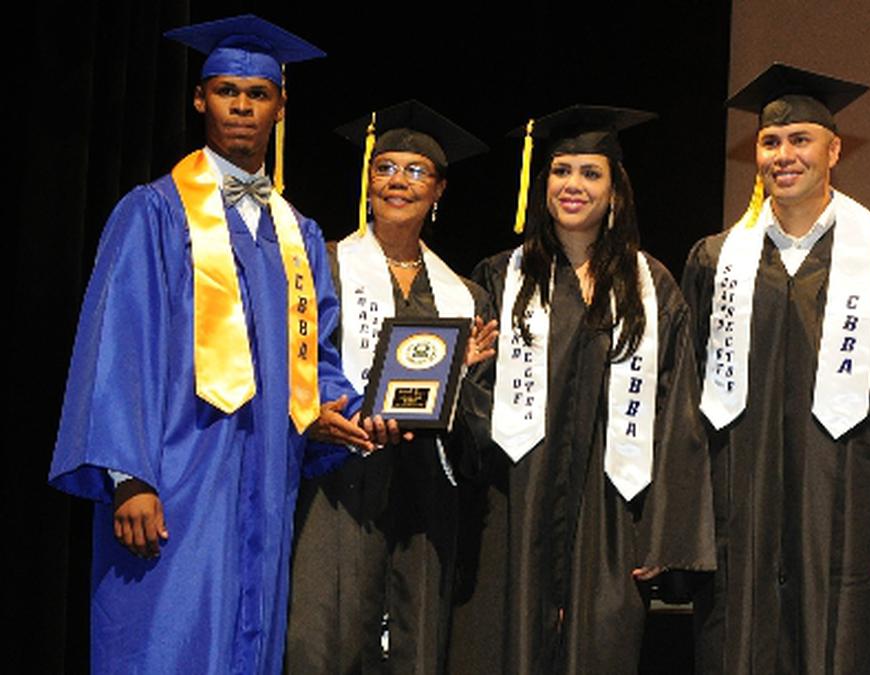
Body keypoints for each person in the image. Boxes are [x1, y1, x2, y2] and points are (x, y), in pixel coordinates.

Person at [47, 15, 374, 674]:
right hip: (174, 471)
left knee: (247, 640)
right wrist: (128, 475)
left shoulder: (298, 235)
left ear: (281, 105)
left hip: (262, 476)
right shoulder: (155, 213)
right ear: (200, 99)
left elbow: (315, 351)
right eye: (227, 91)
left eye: (258, 95)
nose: (242, 108)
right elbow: (120, 346)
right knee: (162, 636)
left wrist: (339, 409)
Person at [682, 64, 870, 674]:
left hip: (850, 503)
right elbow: (686, 396)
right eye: (771, 142)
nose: (783, 155)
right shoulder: (716, 259)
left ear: (834, 149)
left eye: (801, 140)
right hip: (742, 504)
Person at [448, 105, 717, 675]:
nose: (573, 185)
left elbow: (677, 411)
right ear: (543, 183)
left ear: (614, 190)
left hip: (611, 511)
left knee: (602, 649)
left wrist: (664, 529)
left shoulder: (652, 287)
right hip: (516, 503)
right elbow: (476, 402)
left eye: (590, 173)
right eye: (561, 170)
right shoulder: (500, 277)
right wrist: (461, 374)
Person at [287, 100, 497, 674]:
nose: (397, 182)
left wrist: (460, 378)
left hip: (427, 490)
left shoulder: (466, 295)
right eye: (385, 168)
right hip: (340, 479)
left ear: (439, 190)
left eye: (415, 171)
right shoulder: (323, 265)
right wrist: (322, 414)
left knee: (417, 645)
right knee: (326, 641)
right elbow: (299, 364)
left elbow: (478, 414)